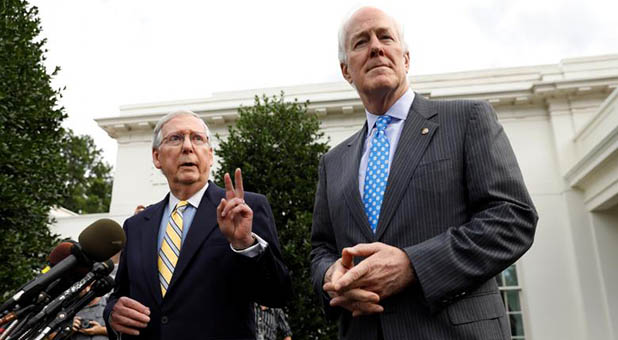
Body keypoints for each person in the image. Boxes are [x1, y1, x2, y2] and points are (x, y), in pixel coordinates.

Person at [310, 6, 538, 340]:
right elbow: (321, 249)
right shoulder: (333, 163)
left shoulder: (467, 120)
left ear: (405, 58)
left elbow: (513, 218)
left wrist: (413, 265)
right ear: (346, 70)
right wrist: (332, 278)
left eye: (385, 37)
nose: (375, 47)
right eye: (361, 42)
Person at [104, 110, 291, 339]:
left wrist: (245, 244)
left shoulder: (244, 208)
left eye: (197, 138)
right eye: (175, 138)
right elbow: (120, 295)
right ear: (156, 157)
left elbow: (277, 294)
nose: (187, 147)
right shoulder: (136, 226)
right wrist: (113, 313)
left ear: (210, 155)